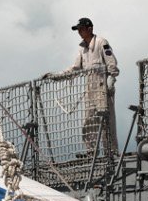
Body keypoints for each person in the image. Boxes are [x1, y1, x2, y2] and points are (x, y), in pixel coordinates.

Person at [49, 17, 120, 157]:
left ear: (90, 29)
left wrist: (111, 78)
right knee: (88, 122)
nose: (80, 32)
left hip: (102, 88)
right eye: (78, 30)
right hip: (90, 89)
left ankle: (111, 152)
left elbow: (111, 63)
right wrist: (58, 75)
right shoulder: (82, 48)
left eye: (81, 29)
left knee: (106, 122)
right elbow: (75, 67)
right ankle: (91, 152)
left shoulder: (101, 43)